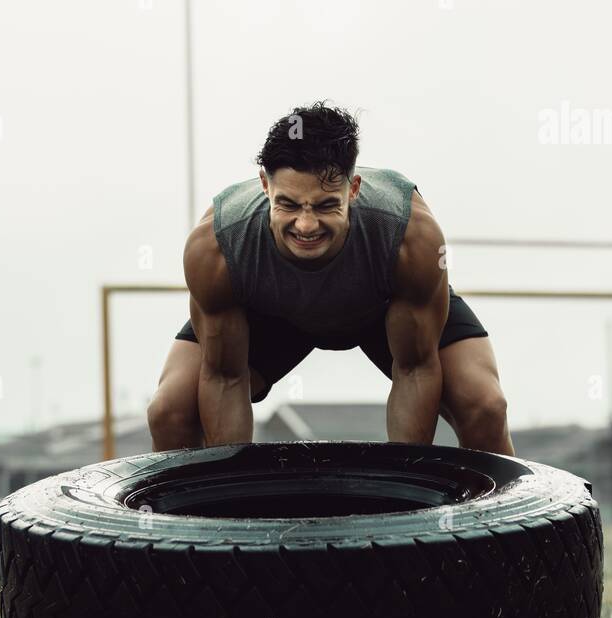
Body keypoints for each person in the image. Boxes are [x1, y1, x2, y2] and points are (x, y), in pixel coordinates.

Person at [147, 101, 513, 454]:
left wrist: (406, 501)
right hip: (269, 314)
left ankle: (504, 518)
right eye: (288, 205)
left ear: (353, 189)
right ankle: (198, 516)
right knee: (169, 411)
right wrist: (229, 499)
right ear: (264, 185)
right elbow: (224, 378)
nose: (306, 226)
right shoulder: (217, 246)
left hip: (380, 307)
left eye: (325, 206)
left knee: (484, 406)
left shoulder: (409, 236)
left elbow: (415, 369)